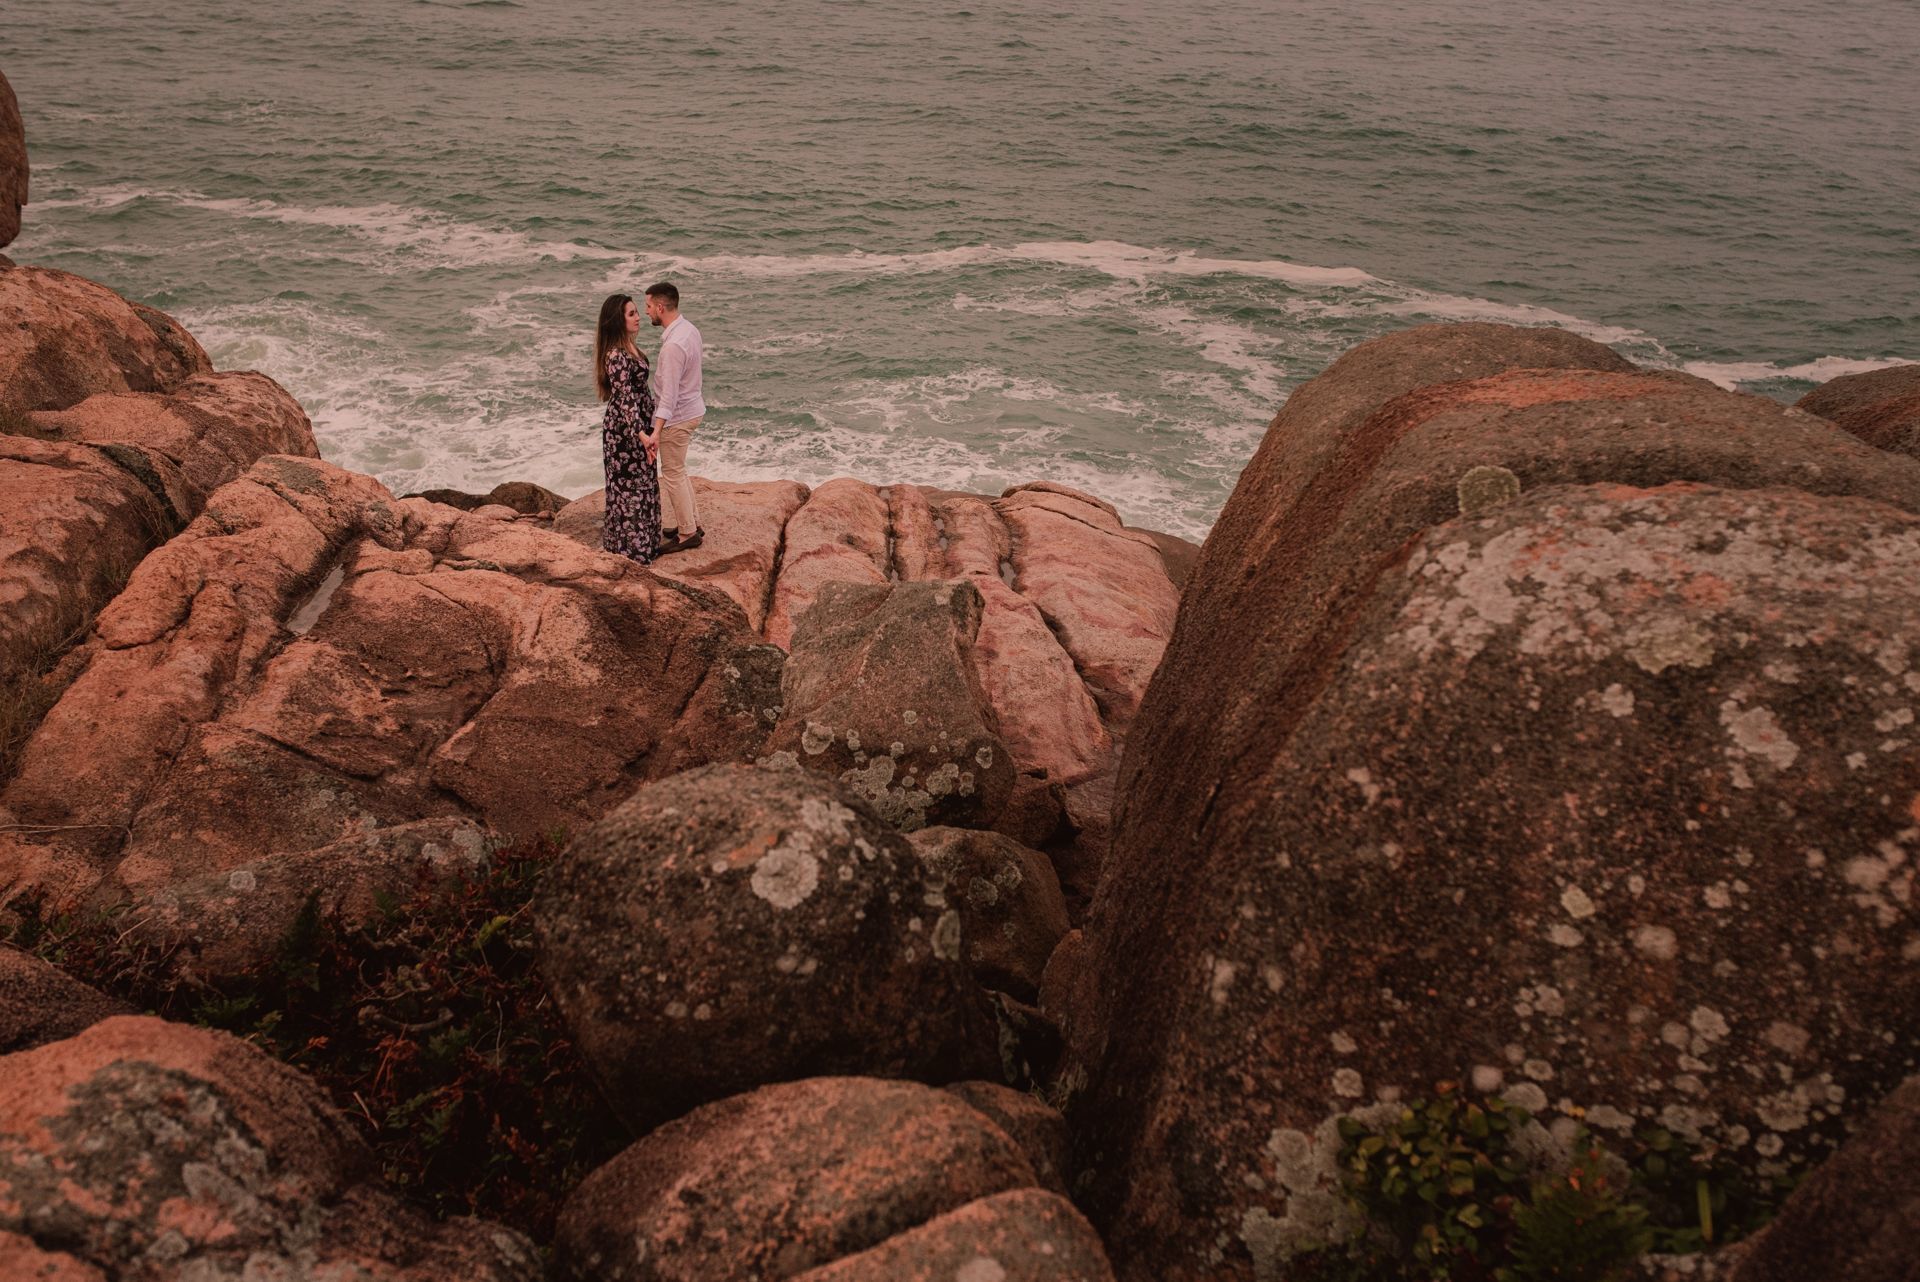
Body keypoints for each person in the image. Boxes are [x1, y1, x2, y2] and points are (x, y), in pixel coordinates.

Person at [593, 293, 663, 563]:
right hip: (624, 433)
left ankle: (647, 543)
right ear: (617, 321)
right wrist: (642, 434)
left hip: (639, 428)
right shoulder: (615, 356)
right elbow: (624, 399)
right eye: (631, 314)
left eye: (637, 312)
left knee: (644, 482)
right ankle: (631, 550)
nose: (638, 318)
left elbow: (641, 394)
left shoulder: (631, 348)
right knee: (628, 489)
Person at [645, 281, 705, 553]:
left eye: (647, 307)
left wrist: (656, 430)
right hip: (693, 408)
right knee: (679, 471)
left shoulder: (672, 347)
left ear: (660, 307)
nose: (646, 312)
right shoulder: (688, 329)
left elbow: (668, 395)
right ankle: (692, 522)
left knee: (671, 474)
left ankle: (687, 532)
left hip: (678, 417)